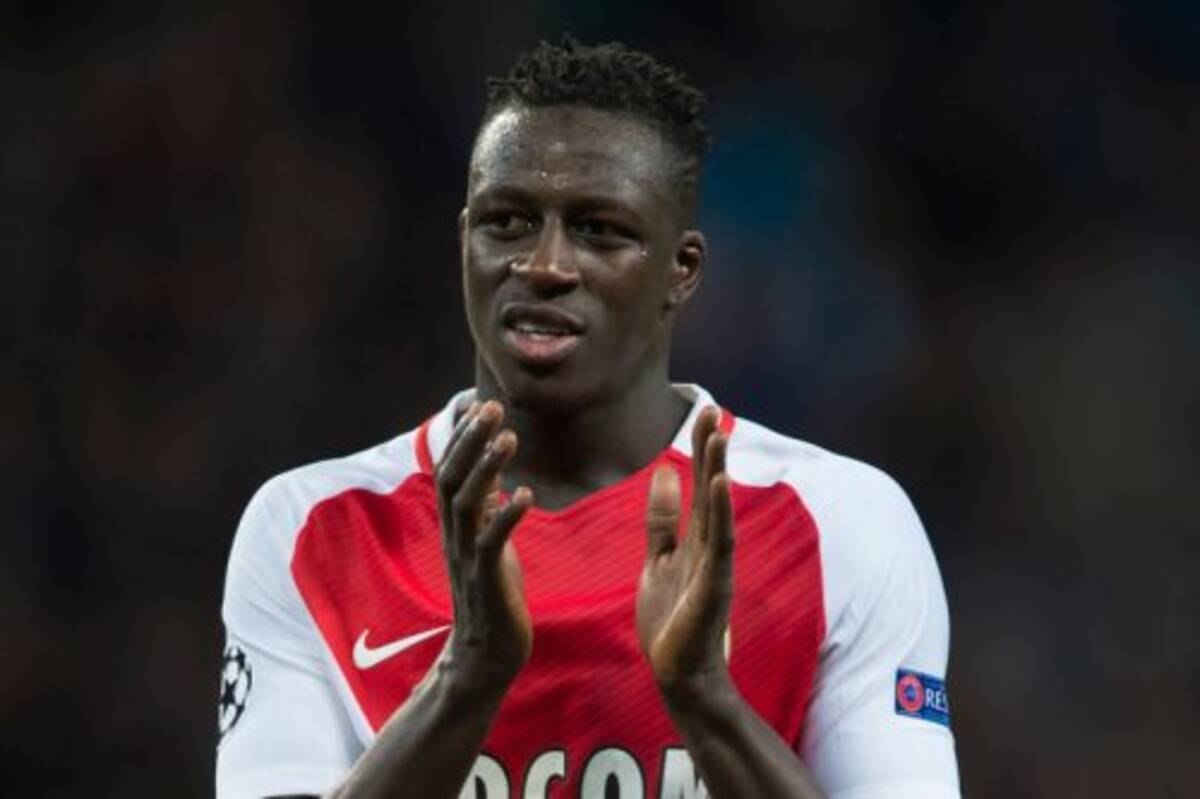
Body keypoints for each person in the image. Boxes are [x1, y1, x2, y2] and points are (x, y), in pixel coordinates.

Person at [215, 38, 961, 799]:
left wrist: (706, 697)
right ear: (464, 240)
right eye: (507, 221)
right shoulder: (316, 528)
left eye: (599, 229)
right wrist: (469, 673)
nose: (544, 264)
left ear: (682, 270)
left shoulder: (839, 523)